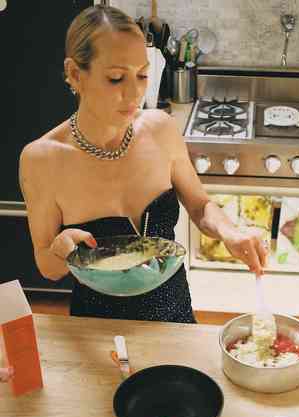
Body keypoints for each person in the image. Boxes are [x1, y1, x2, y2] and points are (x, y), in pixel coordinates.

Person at [19, 5, 267, 323]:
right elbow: (46, 265)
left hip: (175, 315)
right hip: (97, 329)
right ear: (75, 74)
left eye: (142, 75)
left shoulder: (161, 128)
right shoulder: (41, 159)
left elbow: (200, 206)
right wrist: (60, 250)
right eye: (116, 78)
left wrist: (229, 231)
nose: (135, 92)